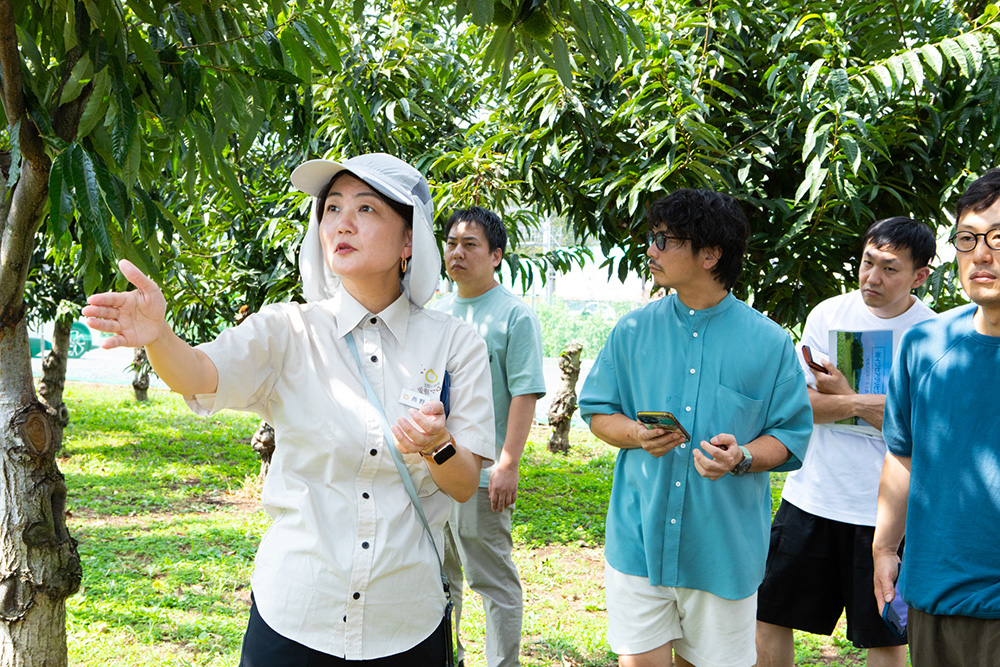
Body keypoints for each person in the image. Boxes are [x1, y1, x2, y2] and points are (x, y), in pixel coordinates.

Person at [83, 153, 497, 666]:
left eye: (366, 209)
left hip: (405, 623)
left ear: (409, 240)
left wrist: (437, 445)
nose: (342, 222)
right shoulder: (288, 330)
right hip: (295, 616)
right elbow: (200, 374)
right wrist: (160, 338)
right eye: (332, 209)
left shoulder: (455, 345)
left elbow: (462, 484)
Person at [578, 188, 813, 667]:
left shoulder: (768, 342)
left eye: (666, 240)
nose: (651, 250)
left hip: (722, 550)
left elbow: (790, 436)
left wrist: (742, 456)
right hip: (638, 539)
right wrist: (636, 435)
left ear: (710, 254)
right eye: (652, 237)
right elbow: (599, 410)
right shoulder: (632, 330)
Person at [755, 217, 935, 667]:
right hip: (811, 498)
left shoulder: (931, 335)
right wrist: (871, 406)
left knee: (885, 638)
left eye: (890, 268)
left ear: (919, 276)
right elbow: (801, 407)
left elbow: (927, 432)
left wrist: (845, 397)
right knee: (767, 616)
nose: (872, 277)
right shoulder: (828, 314)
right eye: (867, 262)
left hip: (886, 514)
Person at [873, 168, 1000, 667]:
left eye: (998, 238)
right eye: (967, 238)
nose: (981, 254)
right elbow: (902, 457)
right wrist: (885, 549)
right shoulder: (924, 345)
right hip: (936, 600)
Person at [433, 206, 546, 667]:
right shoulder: (436, 312)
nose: (457, 253)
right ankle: (447, 658)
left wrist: (507, 463)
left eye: (471, 245)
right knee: (439, 579)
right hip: (436, 470)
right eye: (452, 243)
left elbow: (525, 393)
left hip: (482, 478)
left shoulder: (514, 316)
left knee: (492, 581)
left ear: (496, 255)